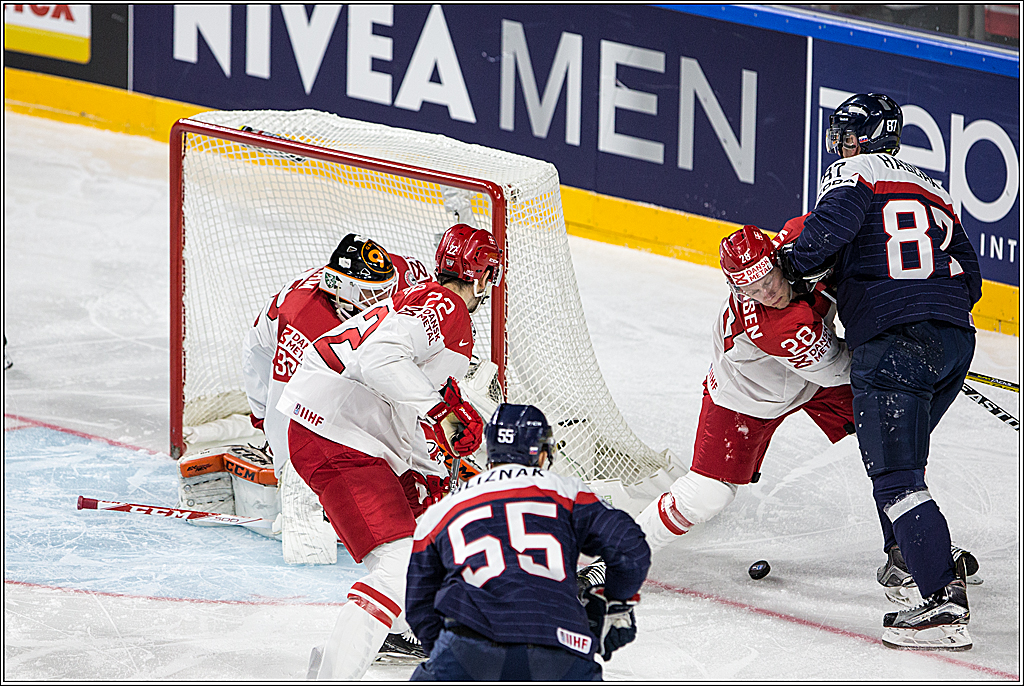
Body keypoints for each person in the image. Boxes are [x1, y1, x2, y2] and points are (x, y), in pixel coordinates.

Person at [778, 93, 982, 650]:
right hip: (952, 341)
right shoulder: (933, 187)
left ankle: (942, 603)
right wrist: (929, 315)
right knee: (899, 463)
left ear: (870, 138)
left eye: (848, 133)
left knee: (896, 477)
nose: (839, 143)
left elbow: (821, 239)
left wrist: (790, 269)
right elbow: (972, 279)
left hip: (893, 346)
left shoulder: (853, 174)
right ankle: (908, 557)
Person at [280, 224, 502, 680]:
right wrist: (442, 412)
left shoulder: (422, 297)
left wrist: (432, 459)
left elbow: (394, 383)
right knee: (399, 563)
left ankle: (336, 662)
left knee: (416, 545)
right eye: (491, 274)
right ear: (480, 275)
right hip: (336, 435)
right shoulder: (449, 307)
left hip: (340, 432)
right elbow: (380, 361)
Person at [240, 232, 434, 659]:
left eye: (383, 288)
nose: (379, 297)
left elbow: (415, 277)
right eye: (369, 292)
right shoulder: (304, 323)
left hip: (346, 423)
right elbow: (265, 368)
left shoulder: (377, 281)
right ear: (339, 288)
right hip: (307, 429)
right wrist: (265, 424)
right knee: (313, 543)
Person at [630, 224, 855, 558]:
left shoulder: (800, 238)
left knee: (892, 433)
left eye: (767, 281)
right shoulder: (777, 324)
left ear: (777, 258)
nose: (767, 294)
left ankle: (908, 543)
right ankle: (617, 557)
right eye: (751, 290)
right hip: (746, 397)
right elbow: (841, 369)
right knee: (708, 494)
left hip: (808, 379)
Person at [405, 403, 651, 681]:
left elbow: (419, 605)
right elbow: (631, 549)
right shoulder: (567, 491)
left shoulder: (441, 511)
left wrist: (455, 653)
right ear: (542, 453)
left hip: (469, 645)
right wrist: (616, 602)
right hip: (561, 646)